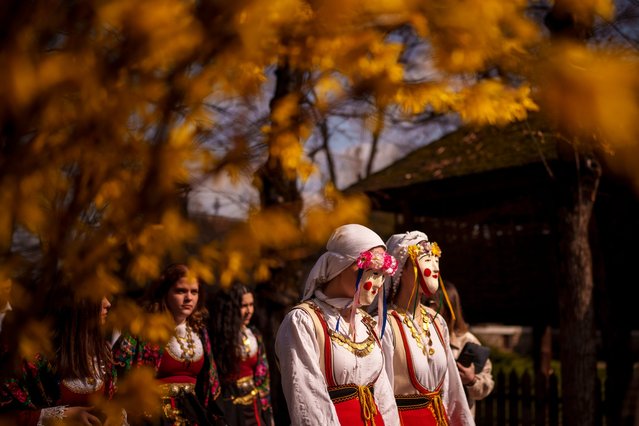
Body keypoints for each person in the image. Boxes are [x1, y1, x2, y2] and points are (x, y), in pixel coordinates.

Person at [275, 223, 400, 426]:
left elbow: (384, 398)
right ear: (340, 267)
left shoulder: (366, 323)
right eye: (372, 272)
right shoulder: (304, 321)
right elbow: (307, 400)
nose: (378, 284)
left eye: (382, 275)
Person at [113, 263, 225, 425]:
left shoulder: (200, 332)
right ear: (164, 292)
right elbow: (117, 371)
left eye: (194, 292)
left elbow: (211, 384)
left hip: (193, 414)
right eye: (181, 291)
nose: (189, 298)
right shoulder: (143, 329)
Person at [381, 231, 474, 425]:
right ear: (401, 269)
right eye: (425, 258)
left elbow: (452, 388)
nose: (434, 267)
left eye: (436, 259)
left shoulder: (437, 321)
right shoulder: (384, 324)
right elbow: (382, 393)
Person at [0, 290, 120, 425]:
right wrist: (58, 416)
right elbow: (6, 417)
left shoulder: (103, 351)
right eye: (98, 297)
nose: (108, 303)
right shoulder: (31, 358)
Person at [209, 284, 273, 426]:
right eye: (243, 306)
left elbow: (263, 379)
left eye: (251, 305)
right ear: (230, 307)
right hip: (230, 408)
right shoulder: (217, 338)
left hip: (255, 407)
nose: (249, 311)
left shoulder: (254, 334)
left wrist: (267, 412)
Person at [431, 281, 494, 418]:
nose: (427, 310)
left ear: (448, 308)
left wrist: (471, 380)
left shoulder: (468, 341)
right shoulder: (421, 337)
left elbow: (487, 385)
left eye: (432, 305)